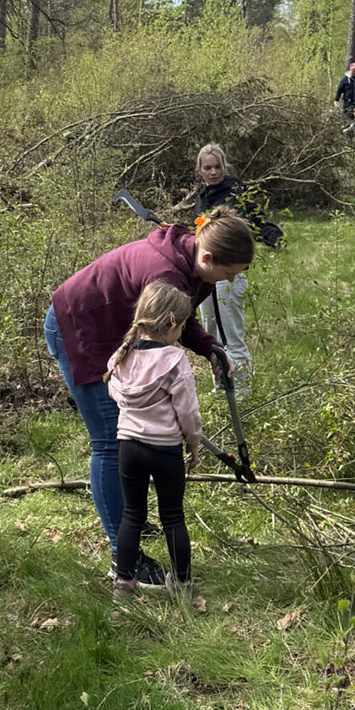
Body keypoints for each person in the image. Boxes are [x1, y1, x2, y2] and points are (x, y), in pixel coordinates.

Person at [46, 206, 254, 587]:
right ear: (206, 257)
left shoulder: (191, 258)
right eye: (226, 274)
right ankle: (123, 556)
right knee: (111, 442)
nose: (227, 280)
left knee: (124, 437)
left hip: (116, 330)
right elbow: (171, 319)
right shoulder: (166, 273)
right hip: (80, 328)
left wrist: (209, 347)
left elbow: (179, 319)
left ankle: (131, 521)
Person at [106, 282, 202, 598]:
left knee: (132, 514)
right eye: (184, 324)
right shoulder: (175, 360)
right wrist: (193, 444)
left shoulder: (121, 357)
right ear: (173, 324)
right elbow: (187, 413)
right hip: (165, 450)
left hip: (128, 447)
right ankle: (184, 585)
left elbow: (115, 395)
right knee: (173, 516)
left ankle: (124, 583)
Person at [191, 143, 280, 386]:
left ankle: (241, 388)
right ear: (199, 170)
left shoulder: (236, 191)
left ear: (224, 166)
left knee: (231, 333)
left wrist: (272, 234)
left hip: (228, 274)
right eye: (207, 168)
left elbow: (255, 219)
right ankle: (221, 387)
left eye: (217, 167)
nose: (213, 172)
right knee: (210, 333)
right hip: (205, 275)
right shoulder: (201, 199)